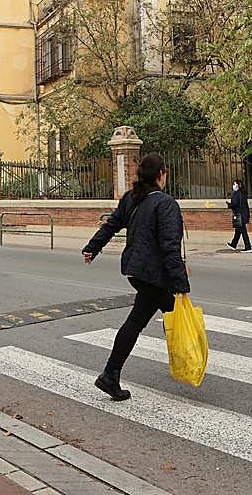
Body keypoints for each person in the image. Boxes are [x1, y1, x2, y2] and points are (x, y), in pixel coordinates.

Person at [82, 153, 190, 401]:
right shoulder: (165, 203)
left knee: (170, 312)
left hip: (136, 270)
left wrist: (92, 247)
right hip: (152, 274)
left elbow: (111, 225)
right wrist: (181, 284)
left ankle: (181, 360)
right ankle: (110, 374)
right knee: (141, 320)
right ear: (161, 174)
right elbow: (170, 247)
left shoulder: (132, 198)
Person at [226, 179, 252, 253]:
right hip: (243, 214)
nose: (233, 186)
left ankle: (248, 247)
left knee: (243, 231)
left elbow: (235, 204)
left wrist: (229, 205)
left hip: (238, 214)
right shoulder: (243, 193)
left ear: (238, 185)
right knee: (238, 230)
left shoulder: (236, 193)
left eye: (234, 184)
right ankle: (233, 244)